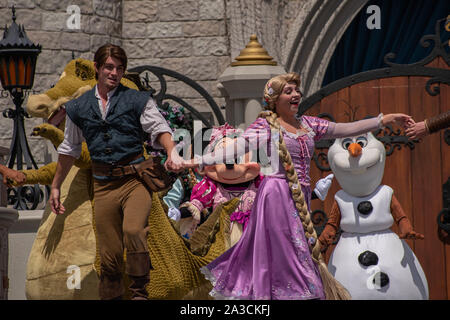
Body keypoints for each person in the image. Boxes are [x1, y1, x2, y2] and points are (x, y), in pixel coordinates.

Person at [181, 72, 412, 300]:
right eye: (288, 91)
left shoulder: (309, 124)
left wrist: (383, 120)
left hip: (298, 197)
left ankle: (296, 294)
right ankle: (297, 295)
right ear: (274, 100)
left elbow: (344, 129)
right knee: (291, 254)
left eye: (297, 90)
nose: (296, 94)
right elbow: (234, 149)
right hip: (276, 196)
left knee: (298, 252)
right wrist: (197, 161)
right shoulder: (265, 126)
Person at [50, 44, 182, 300]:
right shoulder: (78, 107)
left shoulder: (137, 99)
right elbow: (69, 149)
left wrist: (172, 152)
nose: (114, 73)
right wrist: (55, 185)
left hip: (135, 180)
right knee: (109, 256)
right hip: (103, 185)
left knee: (134, 231)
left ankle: (139, 294)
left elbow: (160, 128)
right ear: (97, 68)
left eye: (119, 68)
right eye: (109, 67)